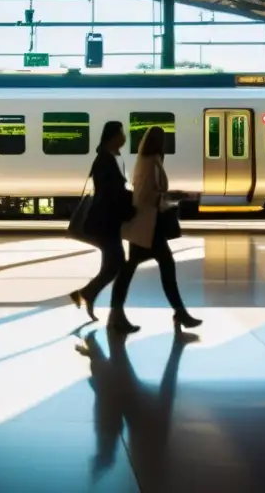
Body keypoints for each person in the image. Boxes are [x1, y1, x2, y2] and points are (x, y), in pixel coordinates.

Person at [106, 126, 202, 334]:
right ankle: (179, 313)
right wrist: (173, 196)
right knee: (162, 266)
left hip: (146, 226)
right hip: (149, 226)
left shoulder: (145, 161)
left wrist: (171, 195)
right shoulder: (151, 163)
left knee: (131, 269)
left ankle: (115, 314)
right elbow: (147, 197)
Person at [70, 120, 134, 325]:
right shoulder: (104, 160)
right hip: (104, 220)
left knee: (114, 264)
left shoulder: (111, 158)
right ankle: (105, 308)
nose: (124, 138)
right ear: (113, 136)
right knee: (116, 264)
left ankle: (87, 294)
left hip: (108, 220)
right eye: (121, 133)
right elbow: (111, 192)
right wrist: (133, 200)